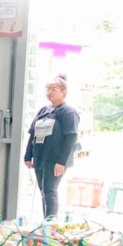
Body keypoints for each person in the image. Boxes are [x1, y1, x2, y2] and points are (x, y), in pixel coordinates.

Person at [25, 74, 80, 219]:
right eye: (47, 89)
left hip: (56, 160)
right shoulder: (44, 110)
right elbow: (32, 134)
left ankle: (51, 224)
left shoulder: (68, 112)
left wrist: (61, 162)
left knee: (50, 190)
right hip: (40, 158)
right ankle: (46, 220)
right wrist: (28, 155)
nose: (49, 92)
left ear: (64, 92)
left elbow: (71, 137)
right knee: (43, 190)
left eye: (53, 89)